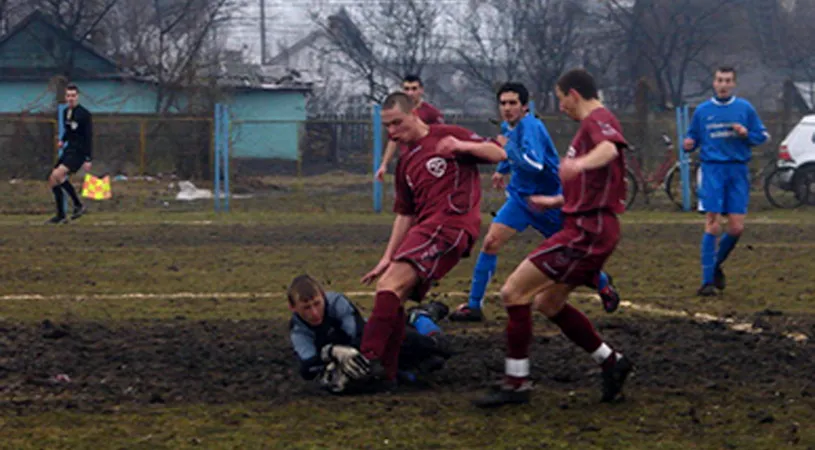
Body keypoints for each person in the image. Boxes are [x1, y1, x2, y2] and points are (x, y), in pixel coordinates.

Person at [474, 69, 633, 408]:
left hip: (587, 231)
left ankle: (516, 383)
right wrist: (557, 200)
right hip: (584, 224)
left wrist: (578, 165)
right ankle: (611, 361)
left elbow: (610, 149)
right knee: (547, 303)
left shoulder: (598, 121)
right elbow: (591, 182)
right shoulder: (585, 128)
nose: (560, 107)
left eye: (561, 99)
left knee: (513, 292)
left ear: (573, 94)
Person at [348, 92, 506, 385]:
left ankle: (367, 360)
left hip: (451, 224)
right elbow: (405, 215)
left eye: (397, 123)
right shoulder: (406, 163)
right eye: (387, 127)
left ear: (415, 113)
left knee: (390, 286)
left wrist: (460, 146)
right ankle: (390, 374)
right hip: (426, 229)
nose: (393, 132)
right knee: (394, 294)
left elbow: (499, 153)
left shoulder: (448, 135)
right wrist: (387, 257)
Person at [449, 82, 620, 322]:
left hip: (547, 202)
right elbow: (512, 154)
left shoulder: (531, 127)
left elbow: (534, 164)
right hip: (520, 200)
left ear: (524, 106)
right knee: (490, 242)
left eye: (512, 103)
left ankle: (602, 283)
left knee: (572, 253)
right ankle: (474, 306)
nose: (507, 108)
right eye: (503, 103)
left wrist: (508, 152)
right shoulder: (509, 126)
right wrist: (502, 168)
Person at [683, 67, 769, 296]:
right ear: (714, 82)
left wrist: (745, 134)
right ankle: (706, 282)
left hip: (737, 170)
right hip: (712, 170)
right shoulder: (702, 111)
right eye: (720, 80)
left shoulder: (745, 108)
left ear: (733, 84)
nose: (723, 84)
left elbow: (762, 136)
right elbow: (692, 136)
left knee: (736, 227)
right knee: (712, 222)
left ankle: (715, 265)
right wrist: (688, 143)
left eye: (728, 81)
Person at [288, 274, 452, 394]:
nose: (314, 313)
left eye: (317, 304)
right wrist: (331, 353)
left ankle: (421, 317)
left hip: (382, 340)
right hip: (370, 359)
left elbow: (361, 337)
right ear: (293, 308)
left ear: (323, 296)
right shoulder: (298, 329)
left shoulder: (337, 303)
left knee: (435, 346)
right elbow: (307, 368)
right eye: (306, 308)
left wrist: (334, 354)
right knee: (410, 373)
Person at [375, 75, 444, 182]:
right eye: (406, 89)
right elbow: (393, 140)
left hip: (426, 162)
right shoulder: (398, 113)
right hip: (406, 161)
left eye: (414, 89)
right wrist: (384, 165)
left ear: (421, 90)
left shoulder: (431, 113)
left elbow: (441, 136)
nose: (410, 93)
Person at [47, 83, 92, 224]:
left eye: (73, 96)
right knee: (52, 179)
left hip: (79, 152)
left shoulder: (84, 114)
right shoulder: (66, 111)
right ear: (65, 97)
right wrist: (62, 140)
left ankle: (78, 204)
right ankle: (61, 215)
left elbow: (88, 136)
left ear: (77, 97)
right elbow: (68, 131)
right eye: (68, 96)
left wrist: (88, 158)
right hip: (69, 150)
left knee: (58, 174)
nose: (70, 98)